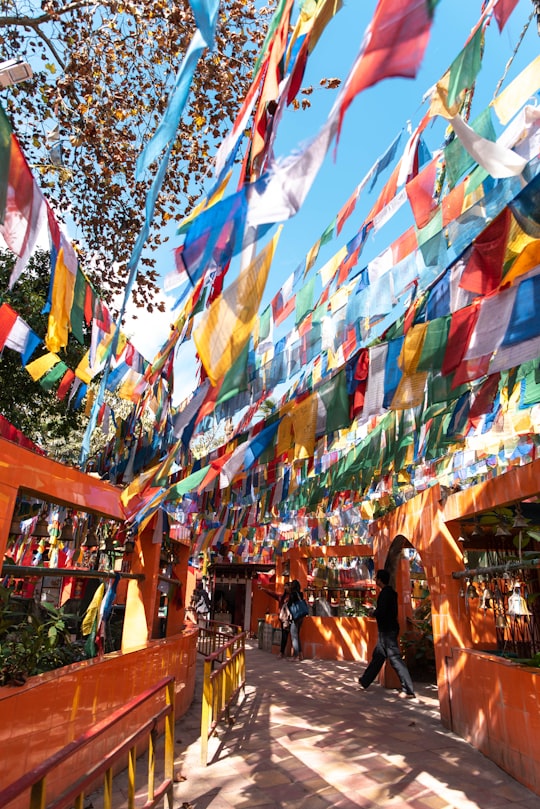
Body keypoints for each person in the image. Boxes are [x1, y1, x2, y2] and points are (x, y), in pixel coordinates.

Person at [358, 569, 416, 699]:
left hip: (387, 631)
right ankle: (365, 680)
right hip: (387, 630)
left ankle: (408, 690)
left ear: (380, 580)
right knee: (378, 656)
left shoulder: (385, 594)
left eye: (376, 578)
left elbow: (382, 612)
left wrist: (373, 613)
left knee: (395, 659)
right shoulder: (390, 593)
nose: (375, 580)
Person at [259, 580, 291, 658]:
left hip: (290, 618)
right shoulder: (282, 597)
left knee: (289, 635)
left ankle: (292, 653)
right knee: (284, 635)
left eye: (287, 586)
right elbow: (273, 594)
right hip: (283, 618)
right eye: (285, 586)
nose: (285, 587)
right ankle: (282, 652)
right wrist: (263, 589)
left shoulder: (292, 597)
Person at [287, 579, 308, 662]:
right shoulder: (301, 594)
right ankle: (300, 654)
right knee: (297, 635)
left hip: (295, 616)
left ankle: (296, 656)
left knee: (294, 636)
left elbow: (289, 605)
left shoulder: (292, 595)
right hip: (301, 616)